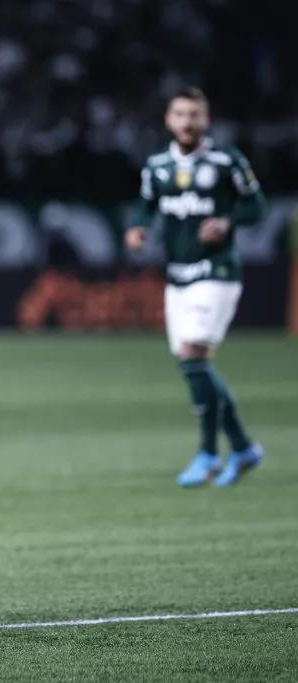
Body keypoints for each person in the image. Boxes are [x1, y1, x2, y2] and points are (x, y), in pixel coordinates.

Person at [125, 87, 264, 488]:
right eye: (180, 114)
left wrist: (227, 222)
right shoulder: (157, 166)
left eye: (194, 115)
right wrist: (137, 228)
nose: (187, 121)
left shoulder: (225, 161)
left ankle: (208, 454)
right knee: (193, 366)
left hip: (217, 271)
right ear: (169, 120)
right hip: (178, 275)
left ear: (206, 121)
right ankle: (242, 447)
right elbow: (145, 204)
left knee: (193, 355)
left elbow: (257, 205)